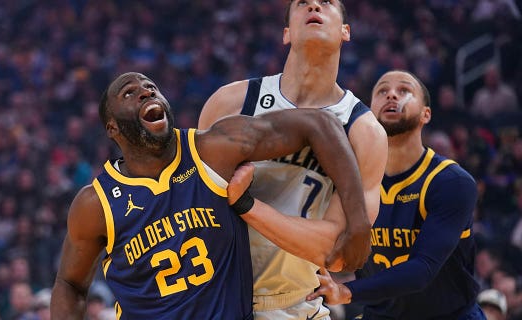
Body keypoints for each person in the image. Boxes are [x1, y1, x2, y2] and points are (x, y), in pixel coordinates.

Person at [50, 72, 368, 319]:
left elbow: (320, 123)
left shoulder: (210, 150)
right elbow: (70, 284)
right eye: (129, 93)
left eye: (151, 87)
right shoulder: (96, 203)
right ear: (112, 128)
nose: (145, 91)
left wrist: (358, 224)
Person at [198, 0, 387, 318]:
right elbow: (192, 209)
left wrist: (248, 206)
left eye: (327, 2)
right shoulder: (230, 102)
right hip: (217, 298)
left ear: (345, 31)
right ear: (286, 33)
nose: (314, 5)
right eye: (302, 3)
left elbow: (338, 253)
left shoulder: (364, 131)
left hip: (293, 305)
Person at [307, 70, 485, 319]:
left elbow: (422, 269)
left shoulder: (450, 181)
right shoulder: (348, 178)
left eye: (404, 90)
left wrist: (346, 290)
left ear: (426, 114)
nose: (391, 94)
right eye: (382, 90)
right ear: (368, 112)